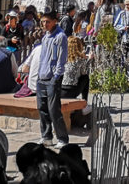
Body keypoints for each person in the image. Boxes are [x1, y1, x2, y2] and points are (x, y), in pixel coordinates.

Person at [36, 11, 69, 148]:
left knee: (54, 109)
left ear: (54, 21)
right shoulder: (45, 37)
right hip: (41, 77)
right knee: (42, 108)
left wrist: (56, 76)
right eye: (43, 22)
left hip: (52, 78)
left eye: (47, 22)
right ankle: (46, 136)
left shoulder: (60, 37)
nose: (45, 24)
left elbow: (61, 59)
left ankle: (62, 138)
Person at [61, 36, 90, 103]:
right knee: (85, 77)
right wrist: (88, 60)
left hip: (62, 89)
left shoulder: (63, 59)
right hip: (72, 90)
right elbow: (83, 72)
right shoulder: (79, 60)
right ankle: (85, 100)